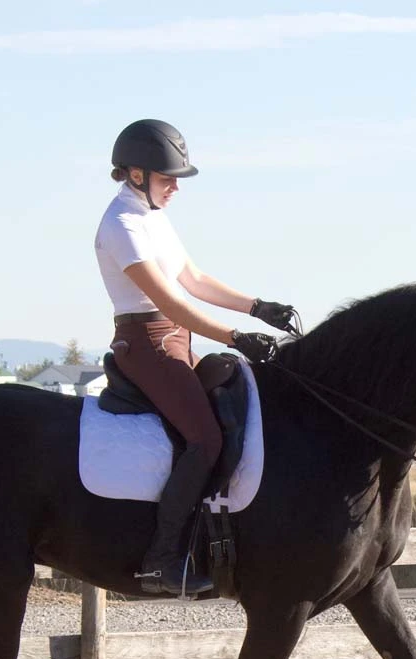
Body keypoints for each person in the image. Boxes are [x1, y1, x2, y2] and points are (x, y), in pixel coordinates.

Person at [95, 118, 296, 596]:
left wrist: (257, 307)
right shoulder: (121, 224)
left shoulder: (154, 218)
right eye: (168, 179)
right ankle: (160, 560)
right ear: (138, 175)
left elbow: (194, 279)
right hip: (146, 343)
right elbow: (169, 303)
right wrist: (234, 336)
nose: (175, 189)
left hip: (177, 339)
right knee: (204, 437)